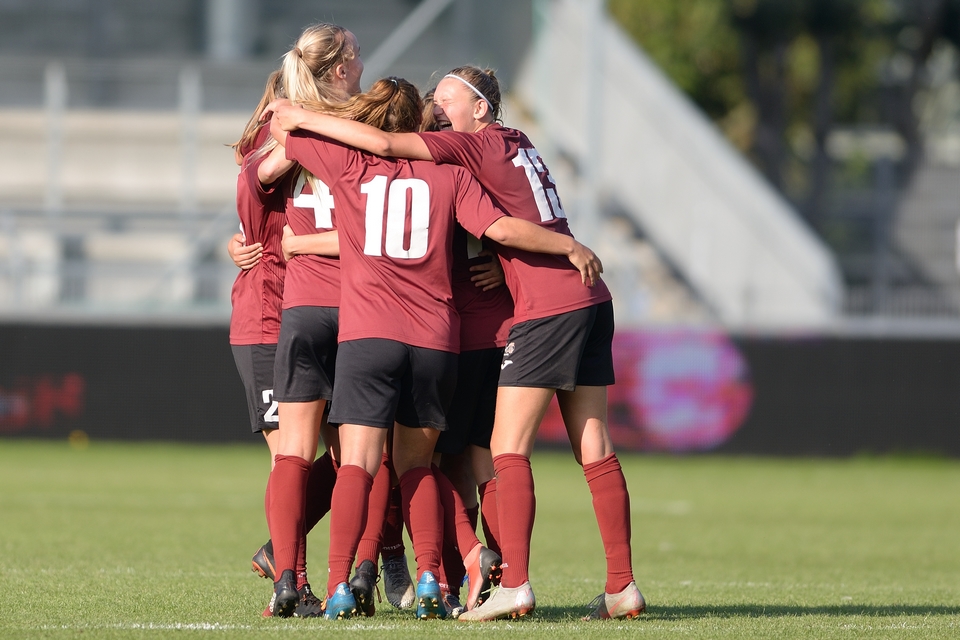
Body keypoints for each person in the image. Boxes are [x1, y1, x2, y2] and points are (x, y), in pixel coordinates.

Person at [264, 65, 645, 622]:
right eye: (433, 104)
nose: (439, 111)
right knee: (576, 447)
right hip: (546, 310)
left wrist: (299, 115)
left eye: (447, 100)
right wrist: (526, 254)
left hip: (453, 324)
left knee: (466, 456)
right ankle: (610, 583)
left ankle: (481, 580)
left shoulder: (430, 156)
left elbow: (376, 152)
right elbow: (496, 223)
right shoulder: (508, 147)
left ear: (481, 108)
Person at [228, 22, 366, 619]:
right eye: (356, 55)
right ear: (335, 69)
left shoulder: (336, 127)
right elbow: (255, 194)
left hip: (324, 305)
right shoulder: (282, 134)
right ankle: (293, 576)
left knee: (343, 456)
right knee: (298, 454)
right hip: (270, 312)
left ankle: (307, 566)